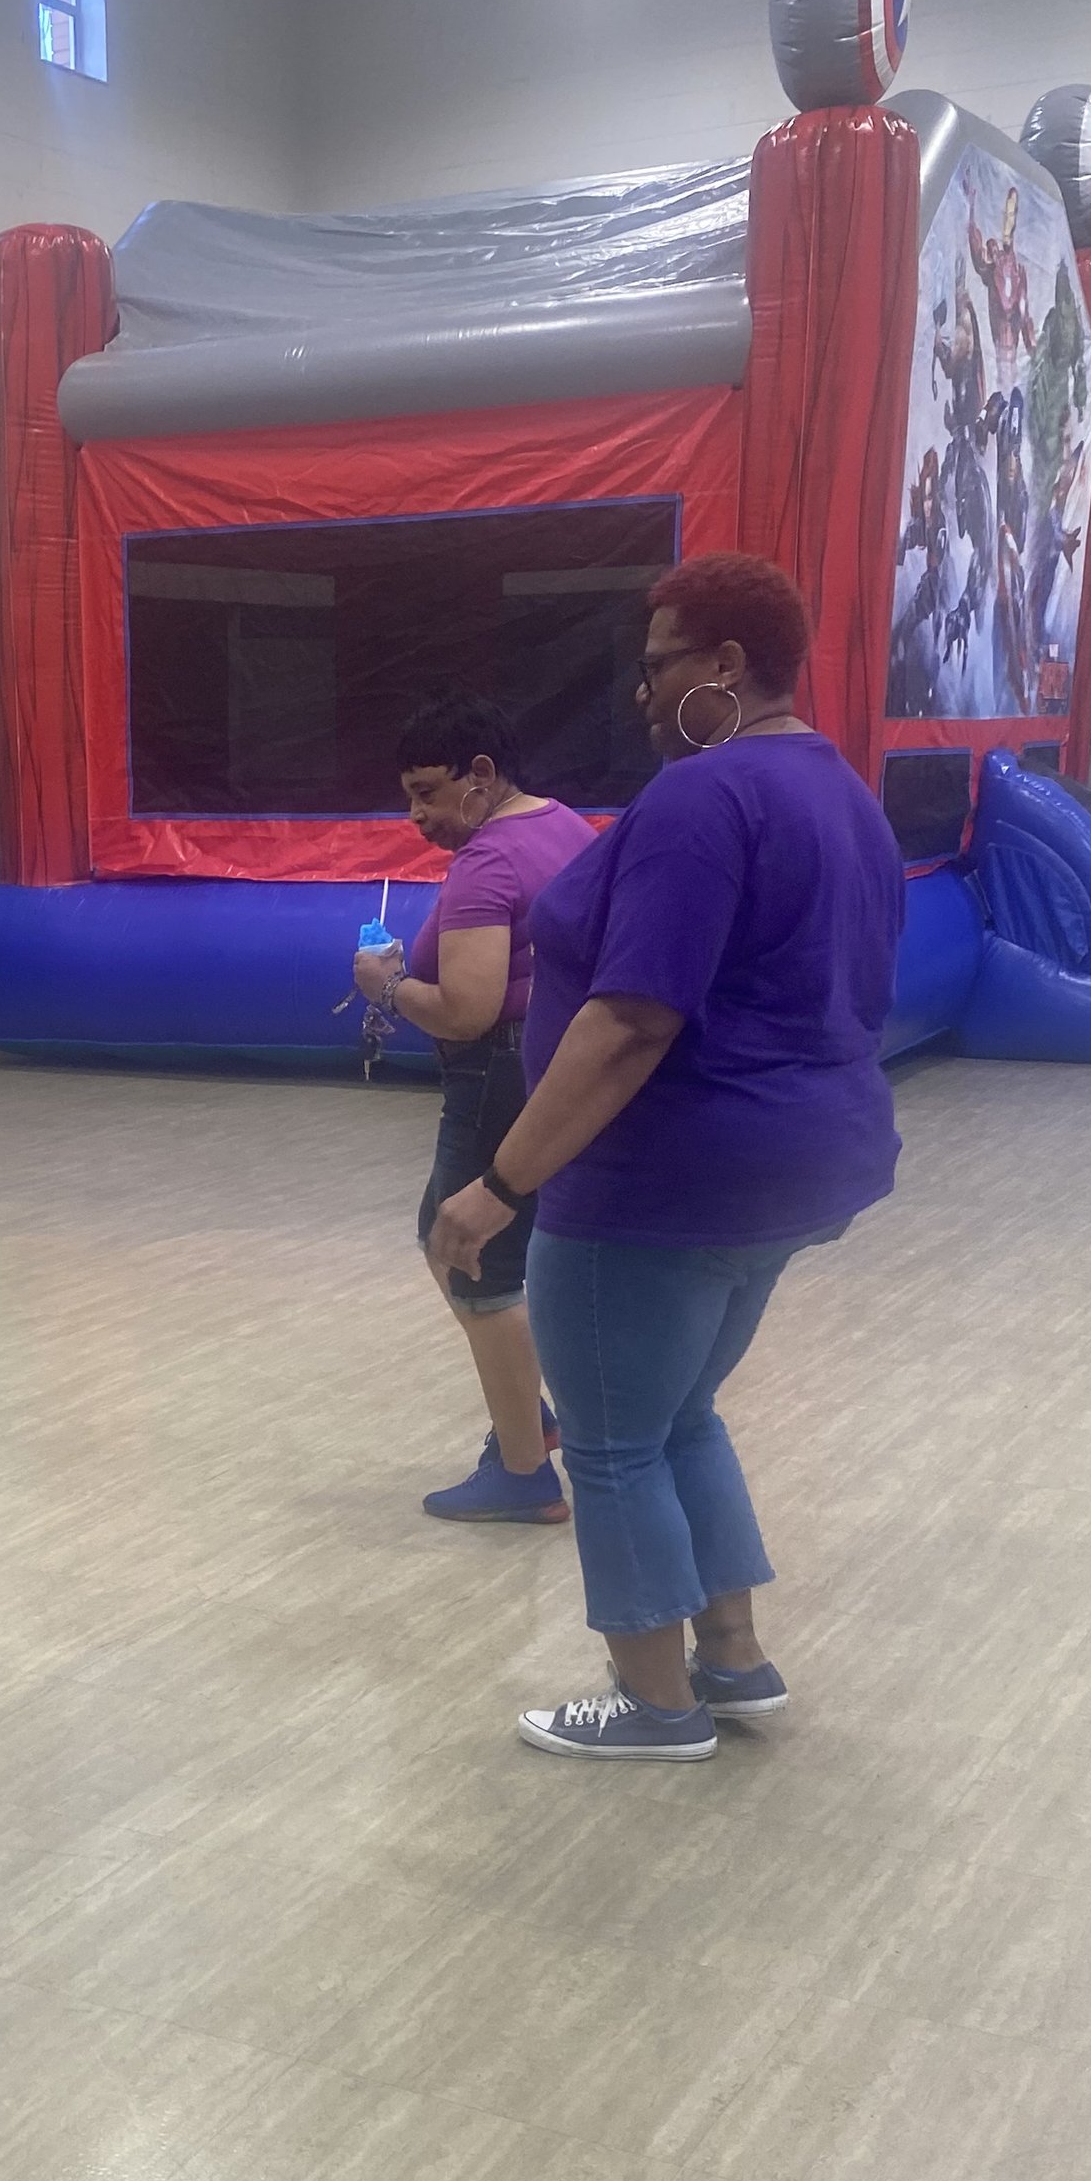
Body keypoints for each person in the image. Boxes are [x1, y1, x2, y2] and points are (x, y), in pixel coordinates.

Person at [429, 553, 902, 1763]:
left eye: (657, 667)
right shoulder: (838, 788)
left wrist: (498, 1185)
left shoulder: (704, 796)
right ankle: (731, 1661)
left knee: (609, 1444)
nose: (640, 695)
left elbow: (633, 1018)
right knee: (680, 1414)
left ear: (726, 666)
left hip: (661, 1179)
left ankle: (653, 1704)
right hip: (792, 1167)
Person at [354, 694, 595, 1523]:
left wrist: (385, 982)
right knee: (460, 1234)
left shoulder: (487, 861)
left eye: (428, 792)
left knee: (468, 1251)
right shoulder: (564, 825)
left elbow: (467, 1009)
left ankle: (525, 1469)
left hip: (496, 1071)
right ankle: (529, 1414)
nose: (416, 816)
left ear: (481, 776)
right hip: (553, 1065)